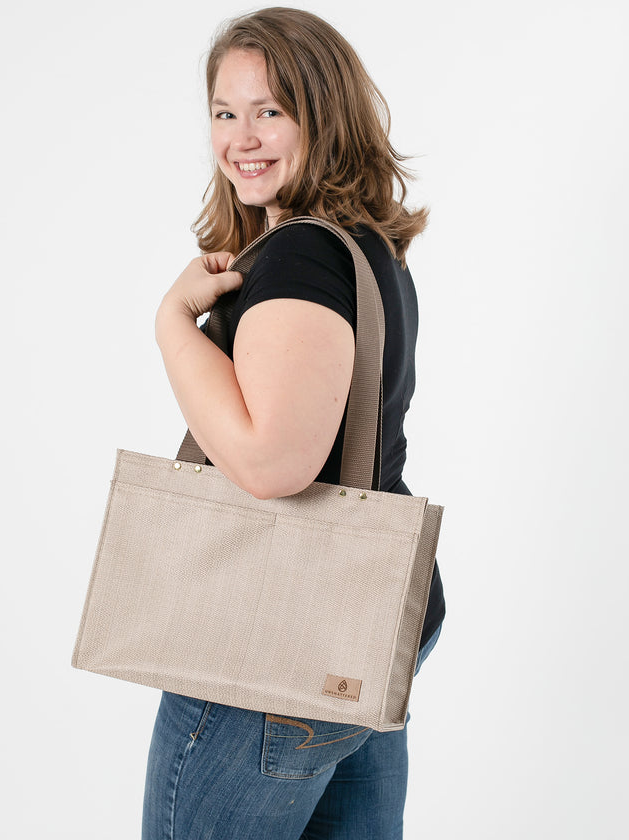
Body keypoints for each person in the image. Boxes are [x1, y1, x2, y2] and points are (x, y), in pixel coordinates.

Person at [144, 8, 445, 839]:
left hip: (271, 657)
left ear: (326, 115)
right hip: (361, 635)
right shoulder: (365, 247)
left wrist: (173, 322)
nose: (242, 137)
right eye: (224, 112)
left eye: (271, 111)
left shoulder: (303, 259)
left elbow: (274, 463)